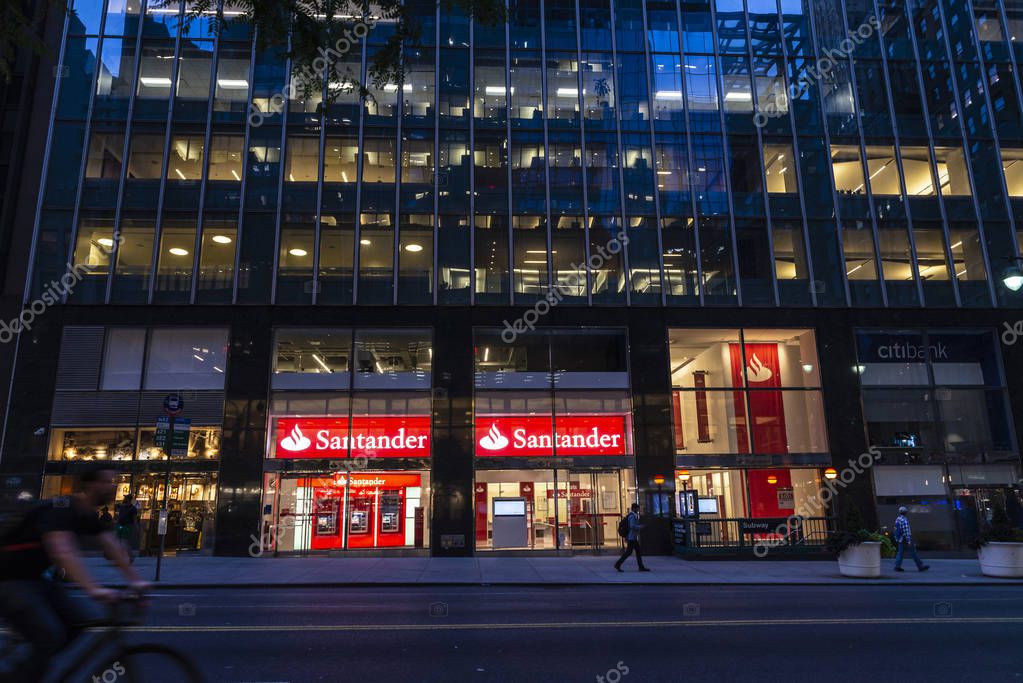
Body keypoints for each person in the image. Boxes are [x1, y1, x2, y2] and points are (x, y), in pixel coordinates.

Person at [0, 465, 149, 682]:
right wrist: (94, 590)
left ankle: (35, 664)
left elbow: (112, 548)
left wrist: (137, 582)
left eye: (114, 481)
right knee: (50, 636)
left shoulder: (87, 514)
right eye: (107, 481)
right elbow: (62, 551)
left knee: (81, 621)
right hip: (9, 580)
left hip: (35, 579)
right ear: (90, 485)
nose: (113, 486)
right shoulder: (62, 508)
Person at [614, 503, 650, 572]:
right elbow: (632, 526)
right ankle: (618, 564)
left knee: (637, 551)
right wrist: (641, 527)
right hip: (631, 538)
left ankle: (641, 567)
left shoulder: (632, 515)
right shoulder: (632, 516)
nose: (638, 510)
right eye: (637, 508)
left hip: (633, 537)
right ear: (634, 508)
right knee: (628, 552)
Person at [893, 506, 930, 572]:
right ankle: (920, 566)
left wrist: (897, 539)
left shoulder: (897, 519)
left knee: (900, 553)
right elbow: (906, 531)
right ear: (906, 512)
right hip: (905, 539)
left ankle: (897, 566)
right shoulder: (904, 520)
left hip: (900, 539)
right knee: (913, 553)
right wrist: (909, 540)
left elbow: (895, 529)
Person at [116, 493, 140, 561]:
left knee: (124, 542)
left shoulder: (133, 509)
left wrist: (136, 528)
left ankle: (130, 556)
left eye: (125, 498)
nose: (124, 499)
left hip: (127, 526)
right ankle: (122, 556)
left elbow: (134, 520)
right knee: (118, 541)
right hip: (120, 525)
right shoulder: (122, 506)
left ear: (128, 499)